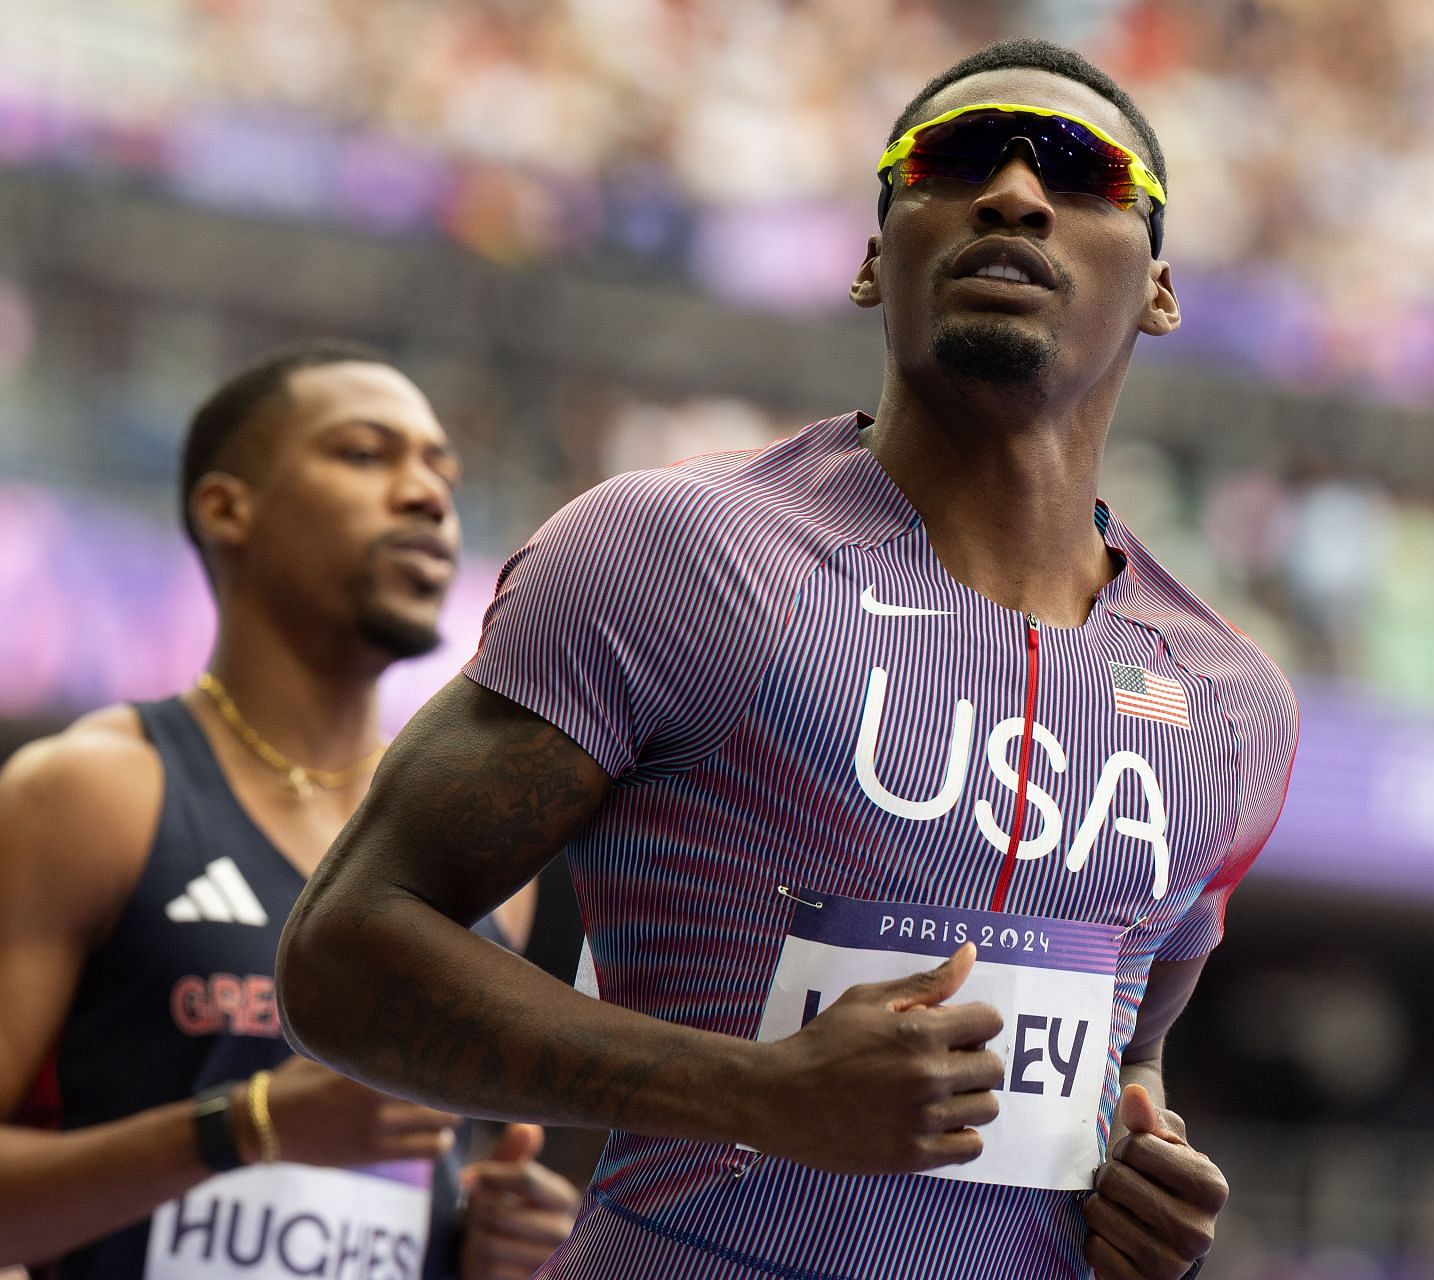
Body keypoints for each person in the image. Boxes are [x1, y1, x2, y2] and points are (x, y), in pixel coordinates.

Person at [279, 39, 1298, 1280]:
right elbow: (340, 953)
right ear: (875, 258)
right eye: (953, 162)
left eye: (1085, 172)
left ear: (1161, 288)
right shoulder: (677, 554)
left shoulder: (1232, 702)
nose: (1016, 194)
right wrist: (755, 1092)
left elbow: (1127, 1051)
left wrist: (1148, 1178)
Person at [0, 341, 579, 1280]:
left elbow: (394, 1186)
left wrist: (482, 1242)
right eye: (365, 454)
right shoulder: (92, 795)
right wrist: (251, 1127)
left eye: (442, 470)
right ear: (229, 508)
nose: (428, 495)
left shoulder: (476, 851)